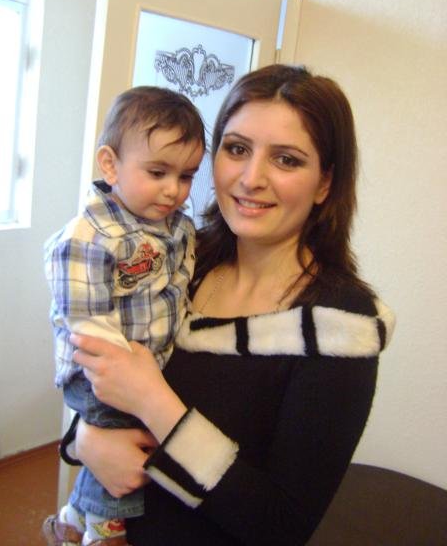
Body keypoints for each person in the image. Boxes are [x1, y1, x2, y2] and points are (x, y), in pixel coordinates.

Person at [65, 65, 395, 546]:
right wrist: (82, 439)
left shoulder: (339, 326)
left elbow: (280, 527)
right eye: (237, 149)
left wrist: (154, 402)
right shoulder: (178, 260)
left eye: (286, 160)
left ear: (325, 183)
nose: (251, 178)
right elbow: (99, 374)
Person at [43, 86, 205, 546]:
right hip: (100, 368)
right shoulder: (89, 237)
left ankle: (72, 519)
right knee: (123, 436)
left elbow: (180, 284)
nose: (174, 190)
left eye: (187, 176)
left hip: (139, 366)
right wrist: (131, 381)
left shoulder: (177, 226)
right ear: (110, 165)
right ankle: (104, 529)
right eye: (157, 172)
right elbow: (87, 323)